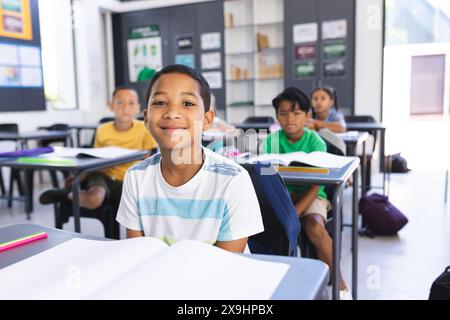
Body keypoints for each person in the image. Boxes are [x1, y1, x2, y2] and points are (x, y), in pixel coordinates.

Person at [116, 64, 264, 253]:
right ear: (145, 118)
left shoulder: (233, 181)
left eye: (187, 103)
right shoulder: (136, 177)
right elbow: (136, 253)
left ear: (207, 120)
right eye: (160, 103)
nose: (172, 113)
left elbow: (226, 266)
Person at [262, 87, 351, 299]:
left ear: (307, 116)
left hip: (312, 195)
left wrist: (294, 212)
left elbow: (316, 186)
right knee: (264, 228)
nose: (289, 119)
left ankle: (340, 285)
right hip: (282, 194)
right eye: (283, 113)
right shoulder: (271, 140)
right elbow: (266, 179)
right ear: (277, 117)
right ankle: (279, 286)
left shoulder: (315, 141)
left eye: (296, 113)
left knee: (314, 226)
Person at [39, 86, 158, 211]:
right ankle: (69, 193)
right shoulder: (102, 130)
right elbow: (96, 160)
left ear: (138, 107)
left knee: (131, 205)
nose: (126, 107)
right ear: (111, 105)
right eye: (120, 102)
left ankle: (68, 195)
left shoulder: (145, 129)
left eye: (131, 103)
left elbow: (148, 161)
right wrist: (80, 176)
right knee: (94, 199)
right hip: (102, 176)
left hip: (129, 179)